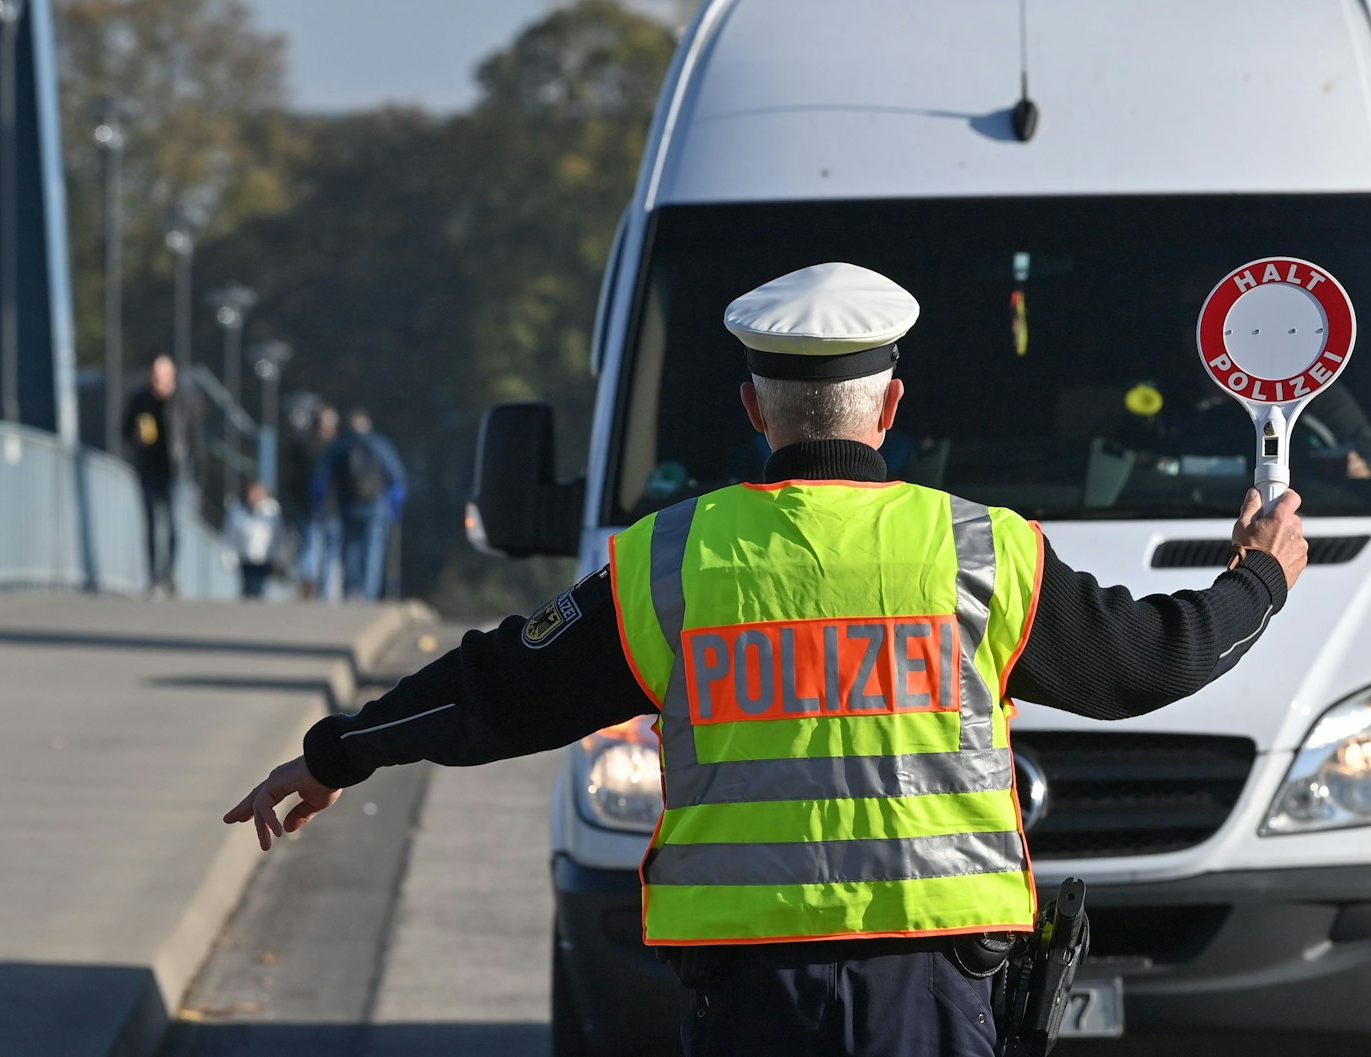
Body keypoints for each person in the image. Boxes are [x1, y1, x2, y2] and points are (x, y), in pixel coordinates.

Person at [225, 263, 1308, 1057]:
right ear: (889, 406)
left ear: (754, 411)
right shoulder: (981, 551)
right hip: (926, 986)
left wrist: (336, 754)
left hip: (748, 997)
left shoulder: (669, 562)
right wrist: (1257, 577)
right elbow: (1147, 664)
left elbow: (495, 687)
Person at [311, 409, 406, 601]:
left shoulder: (340, 445)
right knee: (373, 549)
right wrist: (396, 503)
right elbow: (397, 475)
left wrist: (319, 503)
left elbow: (322, 477)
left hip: (347, 504)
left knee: (350, 548)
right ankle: (369, 592)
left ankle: (351, 590)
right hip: (376, 506)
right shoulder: (379, 444)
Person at [123, 355, 183, 597]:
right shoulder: (140, 400)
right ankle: (153, 576)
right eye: (154, 375)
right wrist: (136, 438)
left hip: (175, 471)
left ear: (172, 375)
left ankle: (169, 572)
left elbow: (194, 438)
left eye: (162, 375)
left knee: (171, 525)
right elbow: (124, 430)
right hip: (148, 469)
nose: (157, 380)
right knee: (150, 524)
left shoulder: (182, 401)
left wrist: (197, 471)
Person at [283, 404, 341, 599]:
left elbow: (289, 477)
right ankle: (323, 590)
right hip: (332, 508)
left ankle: (309, 579)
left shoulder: (301, 445)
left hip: (306, 506)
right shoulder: (337, 448)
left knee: (309, 546)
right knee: (329, 551)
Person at [227, 480, 283, 600]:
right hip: (246, 557)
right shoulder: (239, 512)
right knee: (247, 587)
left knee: (259, 588)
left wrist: (277, 555)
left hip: (264, 558)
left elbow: (277, 536)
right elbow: (232, 534)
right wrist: (231, 554)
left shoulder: (272, 513)